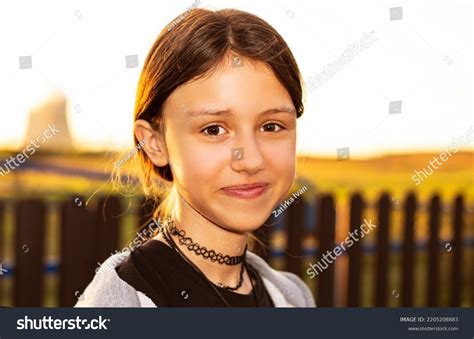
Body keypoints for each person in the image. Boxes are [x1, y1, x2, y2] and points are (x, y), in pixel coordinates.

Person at [75, 7, 315, 308]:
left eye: (271, 126)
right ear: (154, 143)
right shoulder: (121, 303)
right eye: (214, 129)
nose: (251, 160)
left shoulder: (293, 298)